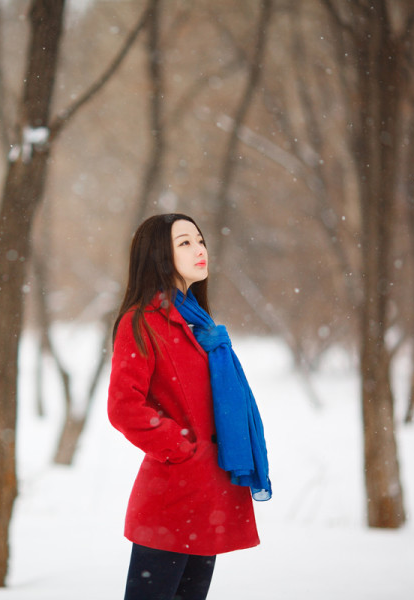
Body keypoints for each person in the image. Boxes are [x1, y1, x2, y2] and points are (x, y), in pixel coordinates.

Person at [107, 213, 270, 600]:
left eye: (200, 240)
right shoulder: (142, 322)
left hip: (208, 496)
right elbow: (124, 406)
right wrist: (181, 447)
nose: (200, 250)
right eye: (184, 243)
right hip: (170, 498)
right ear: (158, 255)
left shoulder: (200, 325)